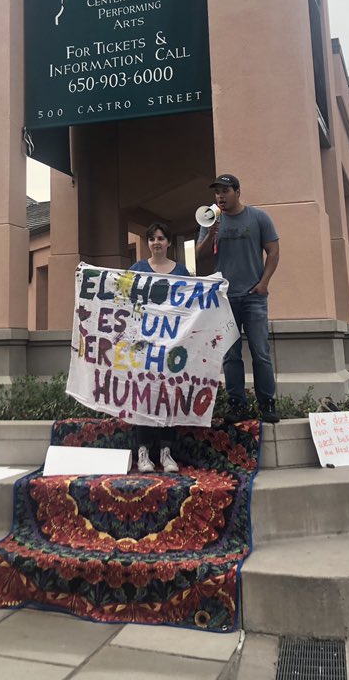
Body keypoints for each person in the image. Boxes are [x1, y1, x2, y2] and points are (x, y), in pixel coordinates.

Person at [196, 174, 281, 425]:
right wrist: (210, 234)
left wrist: (264, 284)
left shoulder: (259, 218)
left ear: (237, 192)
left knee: (260, 352)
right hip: (225, 298)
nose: (220, 196)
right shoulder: (211, 220)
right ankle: (237, 404)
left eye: (225, 191)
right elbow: (199, 256)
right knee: (231, 355)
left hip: (253, 297)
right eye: (217, 192)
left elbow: (273, 251)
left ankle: (267, 404)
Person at [130, 222, 191, 473]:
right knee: (143, 396)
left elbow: (192, 304)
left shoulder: (182, 272)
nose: (157, 242)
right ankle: (143, 452)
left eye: (161, 238)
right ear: (148, 243)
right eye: (152, 238)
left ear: (168, 242)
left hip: (171, 345)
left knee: (169, 395)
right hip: (145, 347)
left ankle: (167, 452)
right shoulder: (137, 270)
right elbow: (125, 300)